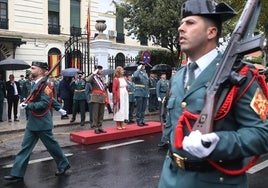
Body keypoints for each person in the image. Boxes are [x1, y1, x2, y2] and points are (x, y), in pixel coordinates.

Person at [158, 0, 268, 187]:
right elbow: (170, 126)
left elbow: (263, 133)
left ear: (211, 32)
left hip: (215, 181)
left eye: (190, 23)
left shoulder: (240, 75)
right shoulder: (177, 77)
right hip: (170, 178)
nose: (180, 28)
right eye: (182, 23)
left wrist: (219, 142)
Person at [4, 61, 70, 181]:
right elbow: (47, 99)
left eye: (33, 68)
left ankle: (63, 164)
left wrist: (28, 106)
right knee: (25, 148)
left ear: (40, 71)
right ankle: (17, 173)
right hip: (33, 123)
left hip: (42, 123)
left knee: (52, 147)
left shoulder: (46, 85)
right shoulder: (36, 84)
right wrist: (59, 108)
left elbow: (45, 103)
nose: (31, 70)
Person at [87, 65, 107, 134]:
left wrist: (105, 83)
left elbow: (104, 87)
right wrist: (93, 73)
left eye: (101, 69)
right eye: (100, 69)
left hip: (102, 97)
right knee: (96, 113)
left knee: (101, 113)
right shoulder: (93, 77)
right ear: (97, 70)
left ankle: (100, 127)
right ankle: (95, 127)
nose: (101, 71)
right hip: (96, 97)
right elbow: (87, 80)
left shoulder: (101, 78)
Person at [133, 62, 149, 126]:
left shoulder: (145, 73)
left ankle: (142, 120)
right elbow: (135, 76)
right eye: (142, 66)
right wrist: (138, 69)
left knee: (143, 107)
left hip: (145, 92)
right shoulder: (137, 73)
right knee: (139, 108)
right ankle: (138, 120)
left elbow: (147, 83)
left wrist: (148, 92)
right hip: (139, 91)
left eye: (144, 66)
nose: (144, 67)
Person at [156, 73, 169, 148]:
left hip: (166, 95)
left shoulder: (167, 81)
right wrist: (158, 96)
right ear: (161, 76)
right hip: (161, 95)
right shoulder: (159, 82)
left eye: (165, 75)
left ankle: (165, 118)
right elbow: (157, 89)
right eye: (163, 75)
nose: (164, 76)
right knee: (161, 109)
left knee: (166, 108)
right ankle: (161, 118)